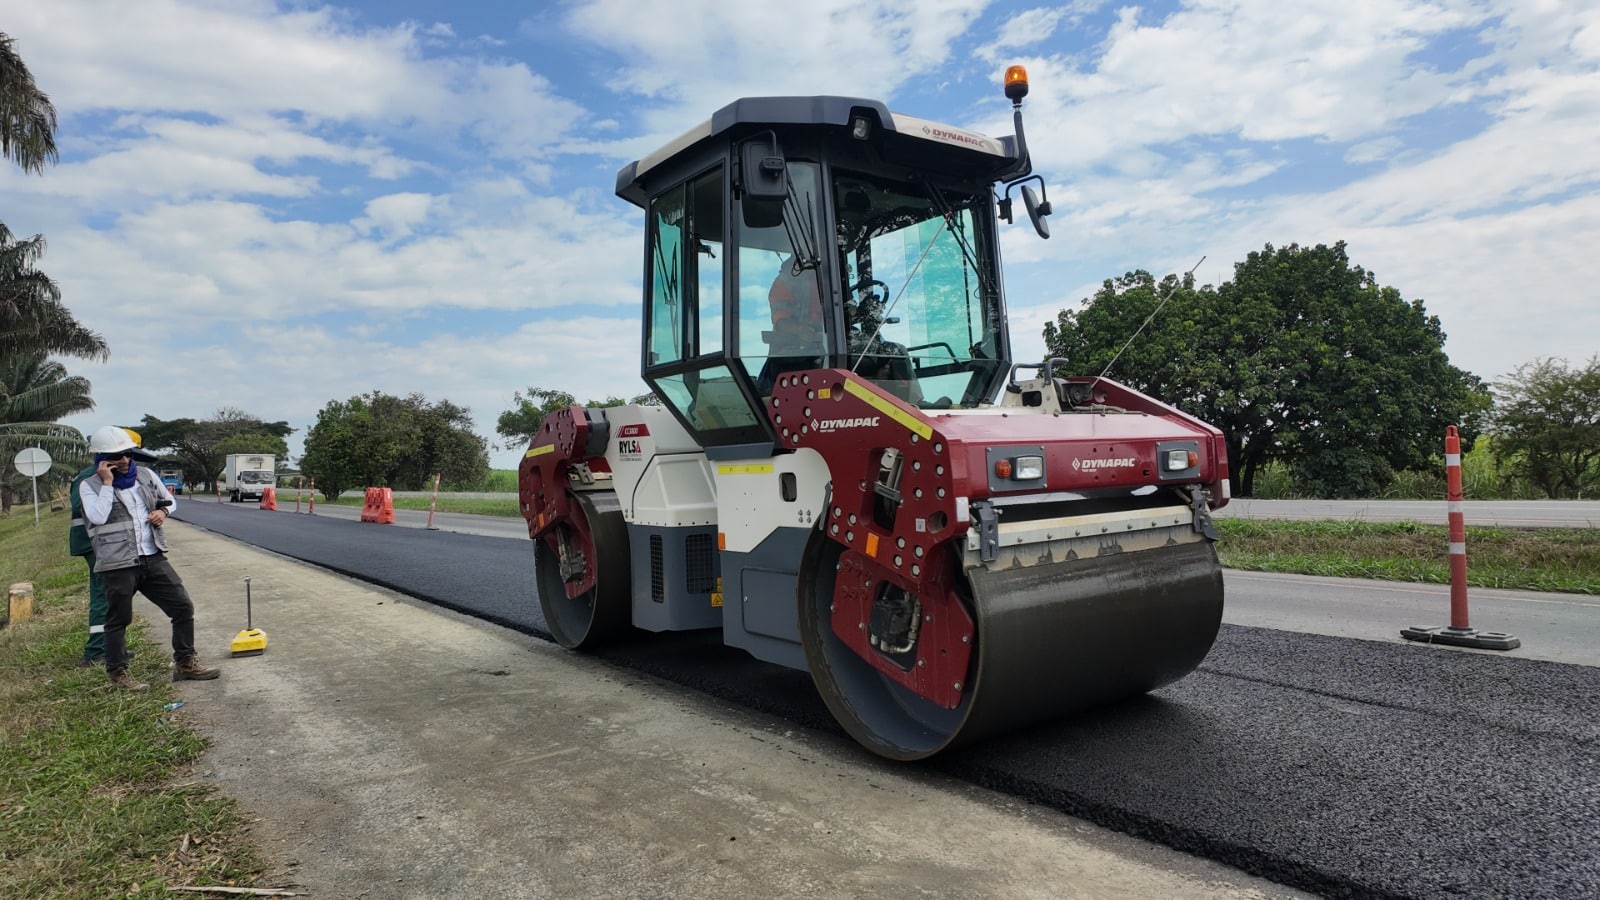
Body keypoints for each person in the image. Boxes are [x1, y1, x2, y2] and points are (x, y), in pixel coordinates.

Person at [78, 424, 220, 692]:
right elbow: (97, 516)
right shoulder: (90, 486)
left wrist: (163, 514)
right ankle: (118, 674)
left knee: (182, 607)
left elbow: (169, 501)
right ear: (101, 460)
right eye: (116, 457)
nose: (123, 461)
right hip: (117, 563)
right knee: (118, 619)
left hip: (152, 557)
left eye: (127, 455)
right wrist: (107, 483)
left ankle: (185, 663)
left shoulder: (144, 475)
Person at [68, 427, 156, 667]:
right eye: (121, 454)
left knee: (115, 598)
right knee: (104, 597)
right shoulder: (91, 478)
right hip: (95, 544)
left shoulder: (114, 475)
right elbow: (86, 510)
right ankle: (97, 651)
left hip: (104, 544)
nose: (126, 460)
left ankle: (112, 648)